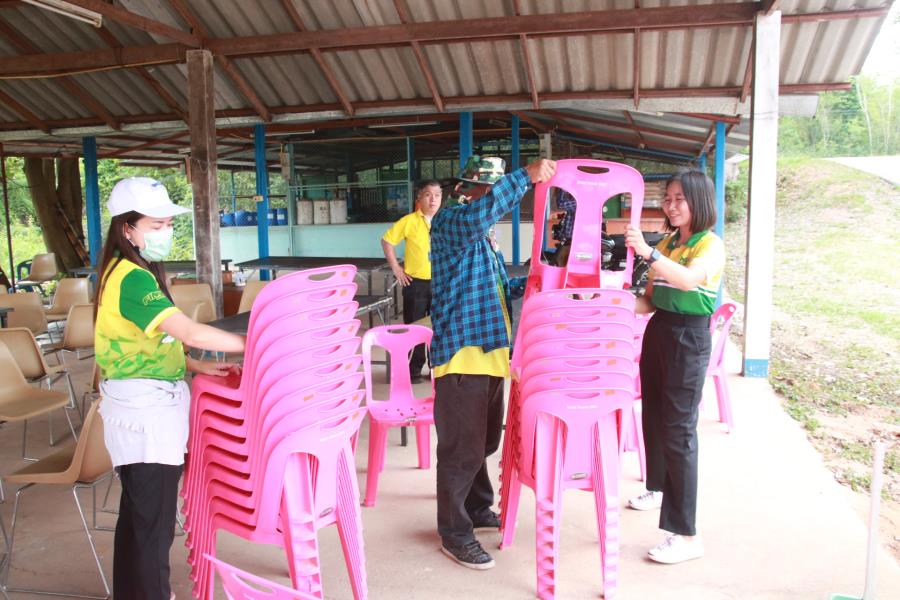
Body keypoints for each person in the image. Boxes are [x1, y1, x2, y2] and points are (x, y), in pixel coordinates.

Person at [94, 177, 246, 599]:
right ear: (127, 228)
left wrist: (193, 365)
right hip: (145, 416)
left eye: (168, 224)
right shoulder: (132, 279)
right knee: (153, 526)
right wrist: (254, 342)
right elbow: (188, 332)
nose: (166, 232)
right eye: (157, 225)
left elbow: (152, 341)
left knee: (140, 519)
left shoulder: (132, 271)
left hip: (144, 405)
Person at [430, 155, 556, 570]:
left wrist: (533, 280)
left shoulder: (485, 240)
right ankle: (454, 532)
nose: (491, 197)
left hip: (490, 355)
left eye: (494, 189)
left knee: (484, 442)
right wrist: (524, 177)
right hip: (461, 356)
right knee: (461, 449)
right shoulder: (451, 222)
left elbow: (498, 287)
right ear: (465, 189)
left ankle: (477, 506)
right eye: (486, 189)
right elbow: (480, 214)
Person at [623, 169, 725, 565]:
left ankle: (686, 534)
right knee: (654, 417)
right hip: (660, 330)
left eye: (679, 198)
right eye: (667, 198)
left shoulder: (709, 245)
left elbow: (688, 281)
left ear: (699, 201)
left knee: (679, 430)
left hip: (689, 337)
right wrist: (608, 301)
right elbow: (649, 300)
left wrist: (649, 254)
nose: (671, 205)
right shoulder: (668, 242)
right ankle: (659, 487)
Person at [381, 180, 442, 382]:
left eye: (437, 195)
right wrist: (396, 268)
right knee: (415, 328)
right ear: (419, 198)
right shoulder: (409, 221)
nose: (433, 199)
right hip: (415, 284)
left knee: (439, 326)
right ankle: (413, 371)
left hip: (441, 283)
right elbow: (387, 241)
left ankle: (435, 370)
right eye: (428, 195)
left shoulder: (445, 220)